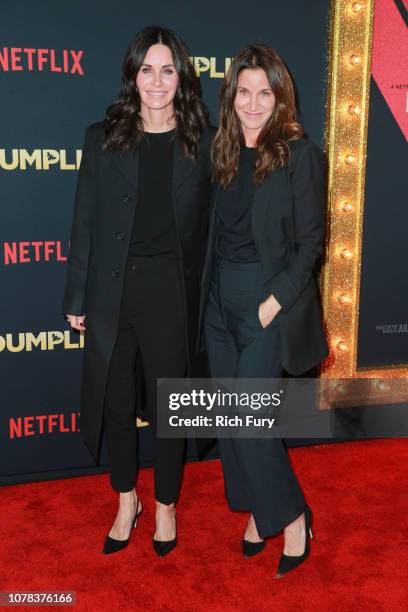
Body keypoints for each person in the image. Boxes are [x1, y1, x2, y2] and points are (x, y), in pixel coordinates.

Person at [63, 25, 213, 556]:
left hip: (172, 292)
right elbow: (84, 224)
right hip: (113, 290)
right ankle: (127, 500)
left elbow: (216, 228)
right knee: (116, 403)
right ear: (133, 75)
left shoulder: (203, 142)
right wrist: (77, 299)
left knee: (172, 407)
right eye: (147, 69)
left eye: (167, 69)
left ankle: (166, 505)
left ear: (181, 78)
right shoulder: (102, 139)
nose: (156, 80)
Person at [200, 43, 328, 577]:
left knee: (250, 423)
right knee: (229, 424)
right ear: (231, 96)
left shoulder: (300, 155)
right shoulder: (221, 151)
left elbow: (310, 244)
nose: (254, 103)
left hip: (266, 301)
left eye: (265, 93)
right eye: (244, 92)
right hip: (217, 304)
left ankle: (294, 516)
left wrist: (272, 303)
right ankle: (259, 511)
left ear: (280, 98)